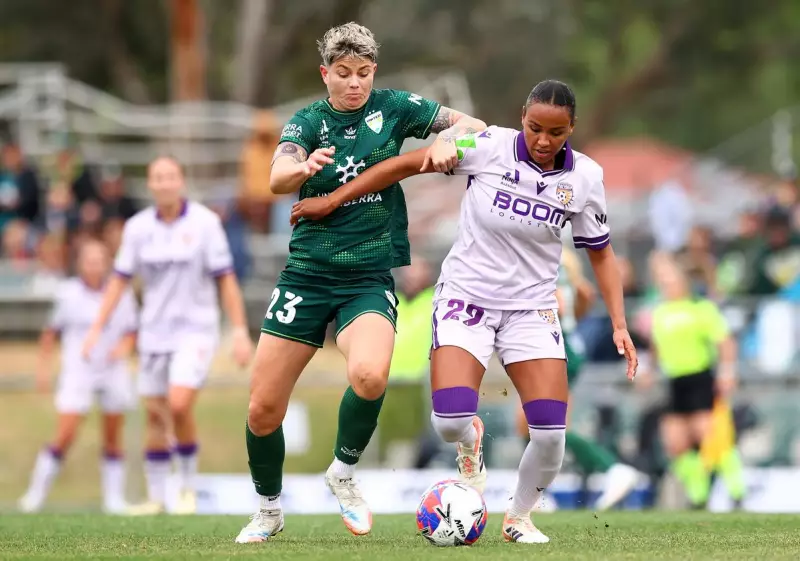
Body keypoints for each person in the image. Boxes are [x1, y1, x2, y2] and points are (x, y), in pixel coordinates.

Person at [291, 79, 638, 544]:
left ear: (571, 128)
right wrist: (333, 200)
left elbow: (600, 252)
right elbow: (403, 165)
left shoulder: (586, 178)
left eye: (556, 133)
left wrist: (619, 323)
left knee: (551, 434)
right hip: (465, 298)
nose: (542, 140)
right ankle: (470, 440)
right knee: (450, 422)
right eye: (535, 128)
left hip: (530, 309)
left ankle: (518, 518)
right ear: (522, 117)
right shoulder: (488, 145)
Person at [236, 21, 487, 543]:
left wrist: (446, 138)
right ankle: (268, 509)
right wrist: (303, 167)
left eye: (364, 73)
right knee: (263, 409)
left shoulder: (394, 107)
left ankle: (343, 473)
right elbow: (276, 178)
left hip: (368, 276)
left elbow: (475, 124)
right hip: (306, 275)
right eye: (344, 73)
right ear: (325, 73)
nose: (355, 83)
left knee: (371, 375)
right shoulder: (308, 121)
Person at [82, 156, 254, 515]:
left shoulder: (205, 223)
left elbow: (226, 279)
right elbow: (119, 280)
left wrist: (239, 331)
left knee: (178, 404)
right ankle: (158, 498)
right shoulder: (138, 228)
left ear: (181, 181)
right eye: (157, 177)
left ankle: (188, 488)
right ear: (150, 184)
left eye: (170, 176)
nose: (164, 183)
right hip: (154, 333)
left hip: (196, 330)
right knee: (156, 414)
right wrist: (96, 329)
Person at [514, 248, 639, 512]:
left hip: (555, 346)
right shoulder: (560, 258)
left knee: (543, 425)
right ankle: (536, 491)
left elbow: (558, 301)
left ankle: (611, 468)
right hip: (563, 343)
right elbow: (585, 293)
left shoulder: (540, 258)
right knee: (530, 423)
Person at [19, 240, 137, 514]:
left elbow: (131, 332)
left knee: (112, 433)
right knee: (66, 433)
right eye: (89, 260)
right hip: (79, 370)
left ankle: (113, 500)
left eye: (100, 260)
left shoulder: (122, 292)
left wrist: (121, 350)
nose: (95, 266)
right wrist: (43, 370)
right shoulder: (68, 293)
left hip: (112, 370)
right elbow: (51, 332)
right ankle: (35, 495)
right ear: (80, 263)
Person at [638, 254, 742, 509]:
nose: (666, 285)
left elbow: (725, 342)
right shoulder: (660, 312)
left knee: (708, 436)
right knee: (675, 442)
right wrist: (647, 370)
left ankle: (737, 487)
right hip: (675, 380)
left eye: (671, 280)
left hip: (700, 377)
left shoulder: (701, 309)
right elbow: (655, 348)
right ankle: (699, 493)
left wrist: (727, 372)